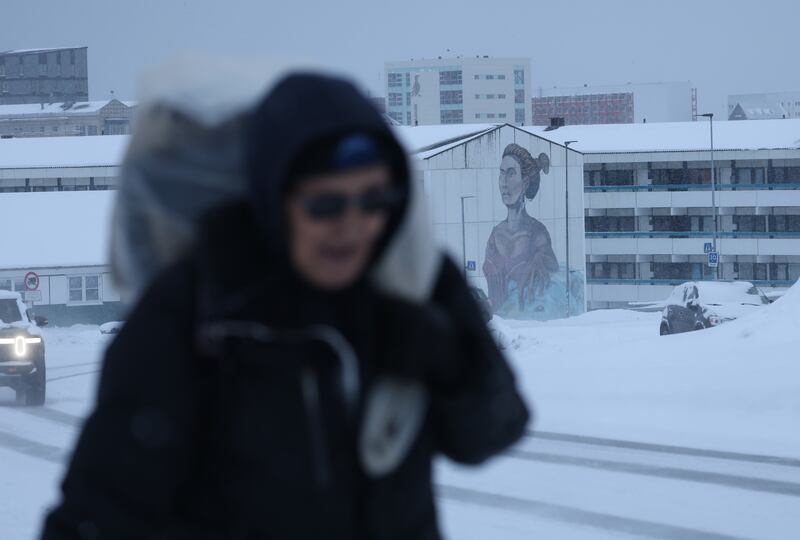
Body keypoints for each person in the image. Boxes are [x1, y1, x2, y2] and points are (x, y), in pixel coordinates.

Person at [41, 73, 530, 540]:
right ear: (274, 200)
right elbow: (99, 509)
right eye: (326, 206)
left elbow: (493, 431)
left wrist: (451, 361)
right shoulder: (200, 307)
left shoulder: (415, 280)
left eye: (374, 199)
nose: (354, 225)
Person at [483, 143, 559, 317]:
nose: (504, 182)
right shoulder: (495, 234)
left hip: (530, 322)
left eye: (511, 173)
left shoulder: (536, 231)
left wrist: (539, 260)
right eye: (501, 173)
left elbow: (552, 265)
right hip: (498, 322)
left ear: (525, 183)